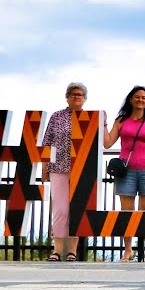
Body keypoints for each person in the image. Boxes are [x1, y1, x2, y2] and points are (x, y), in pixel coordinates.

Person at [103, 85, 145, 262]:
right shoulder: (121, 120)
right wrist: (104, 123)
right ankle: (128, 251)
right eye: (137, 97)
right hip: (126, 172)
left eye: (144, 98)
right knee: (127, 211)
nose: (140, 100)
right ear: (131, 99)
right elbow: (108, 143)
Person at [40, 82, 87, 262]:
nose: (77, 97)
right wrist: (44, 168)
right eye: (73, 94)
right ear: (67, 97)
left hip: (81, 169)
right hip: (58, 167)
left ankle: (72, 251)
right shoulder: (57, 116)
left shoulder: (90, 118)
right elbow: (47, 142)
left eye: (80, 94)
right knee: (60, 209)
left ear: (84, 99)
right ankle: (57, 250)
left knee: (77, 209)